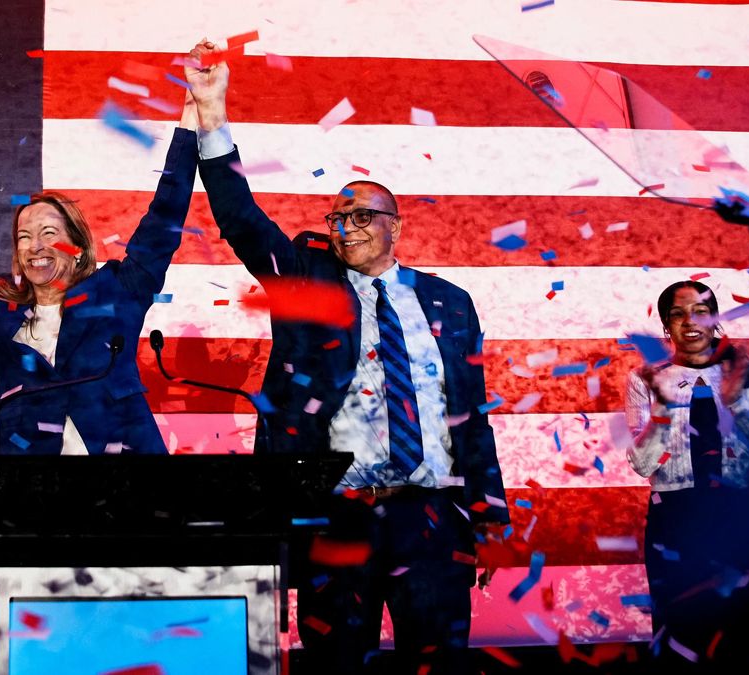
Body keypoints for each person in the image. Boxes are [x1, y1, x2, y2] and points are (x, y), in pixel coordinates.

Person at [183, 41, 508, 674]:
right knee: (335, 664)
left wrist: (490, 517)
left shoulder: (450, 302)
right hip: (339, 516)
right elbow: (241, 218)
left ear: (396, 226)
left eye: (362, 216)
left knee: (438, 665)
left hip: (431, 517)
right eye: (336, 218)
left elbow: (471, 418)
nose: (346, 227)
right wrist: (212, 111)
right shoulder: (308, 283)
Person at [0, 81, 199, 455]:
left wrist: (192, 117)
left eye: (49, 233)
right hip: (28, 485)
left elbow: (165, 217)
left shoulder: (118, 292)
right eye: (24, 236)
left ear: (78, 249)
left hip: (124, 482)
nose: (35, 246)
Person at [625, 280, 749, 671]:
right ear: (666, 326)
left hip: (741, 513)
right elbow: (642, 464)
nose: (690, 322)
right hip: (676, 515)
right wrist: (664, 408)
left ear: (715, 319)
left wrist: (737, 403)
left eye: (701, 311)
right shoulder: (645, 379)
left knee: (743, 631)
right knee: (679, 629)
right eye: (678, 314)